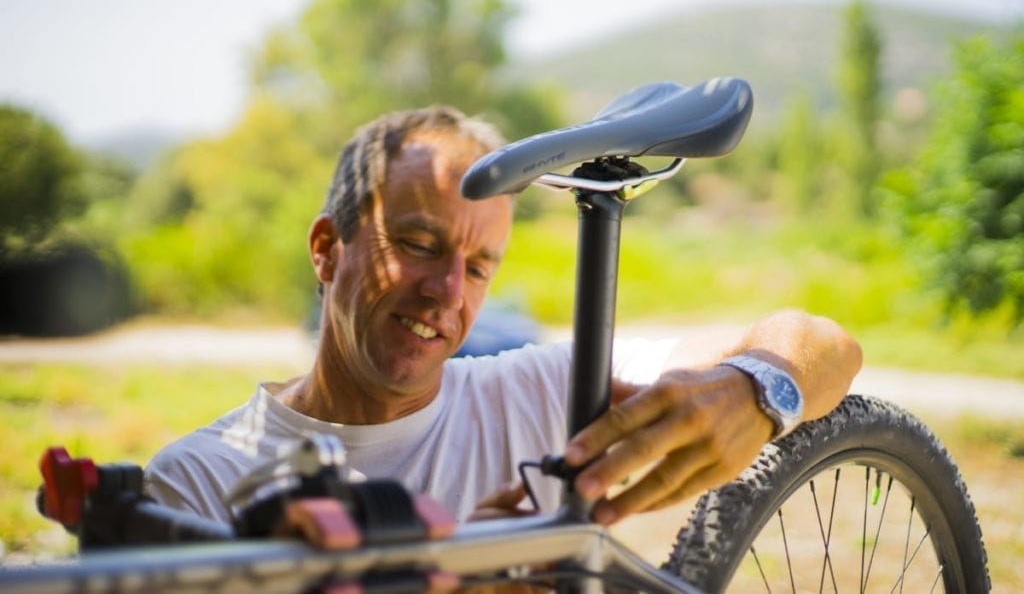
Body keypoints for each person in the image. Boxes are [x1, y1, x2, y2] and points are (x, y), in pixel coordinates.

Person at [145, 106, 862, 528]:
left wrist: (758, 390)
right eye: (420, 244)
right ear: (328, 249)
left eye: (480, 264)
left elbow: (828, 343)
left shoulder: (550, 391)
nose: (448, 290)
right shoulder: (196, 484)